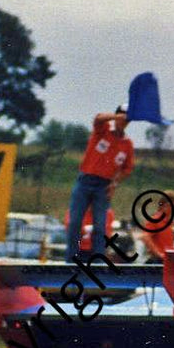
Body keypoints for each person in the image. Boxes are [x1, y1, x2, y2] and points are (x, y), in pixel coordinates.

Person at [66, 108, 134, 261]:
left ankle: (97, 263)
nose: (122, 123)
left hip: (103, 186)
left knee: (100, 225)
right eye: (120, 119)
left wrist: (115, 183)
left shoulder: (127, 145)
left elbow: (127, 168)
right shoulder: (102, 131)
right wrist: (116, 116)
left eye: (126, 121)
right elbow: (99, 118)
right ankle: (71, 261)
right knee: (75, 221)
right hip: (85, 181)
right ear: (116, 118)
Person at [139, 190, 174, 263]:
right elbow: (145, 237)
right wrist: (158, 254)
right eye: (173, 207)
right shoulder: (155, 220)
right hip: (157, 261)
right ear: (165, 205)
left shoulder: (168, 223)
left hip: (166, 260)